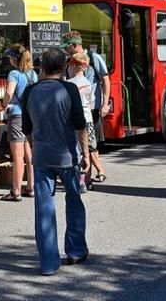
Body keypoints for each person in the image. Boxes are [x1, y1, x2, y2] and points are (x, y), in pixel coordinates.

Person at [22, 47, 90, 276]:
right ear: (63, 67)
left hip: (42, 156)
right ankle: (75, 250)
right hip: (67, 156)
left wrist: (35, 146)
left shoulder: (30, 92)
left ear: (41, 67)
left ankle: (49, 263)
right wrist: (86, 154)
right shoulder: (69, 89)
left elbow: (27, 130)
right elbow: (81, 125)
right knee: (74, 201)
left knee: (43, 208)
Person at [62, 31, 109, 182]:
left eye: (67, 47)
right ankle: (93, 175)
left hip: (92, 108)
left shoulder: (94, 58)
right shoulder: (69, 62)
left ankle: (90, 176)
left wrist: (105, 103)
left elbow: (105, 80)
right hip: (77, 108)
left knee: (89, 143)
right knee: (86, 143)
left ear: (75, 45)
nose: (65, 50)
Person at [3, 46, 37, 202]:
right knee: (29, 152)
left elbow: (10, 92)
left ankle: (16, 190)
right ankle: (31, 186)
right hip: (30, 114)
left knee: (17, 155)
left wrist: (5, 103)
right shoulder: (32, 74)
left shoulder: (14, 73)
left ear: (14, 59)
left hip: (16, 114)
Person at [66, 52, 97, 190]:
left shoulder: (69, 84)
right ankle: (86, 179)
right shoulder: (88, 83)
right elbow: (91, 104)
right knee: (88, 149)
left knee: (74, 149)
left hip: (73, 119)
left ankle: (76, 178)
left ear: (73, 66)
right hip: (87, 118)